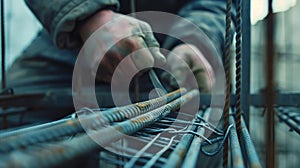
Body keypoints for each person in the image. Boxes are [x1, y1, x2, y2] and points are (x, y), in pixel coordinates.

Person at [6, 0, 236, 126]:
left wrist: (194, 40)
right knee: (11, 111)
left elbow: (214, 3)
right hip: (69, 33)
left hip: (162, 52)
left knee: (201, 134)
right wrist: (86, 15)